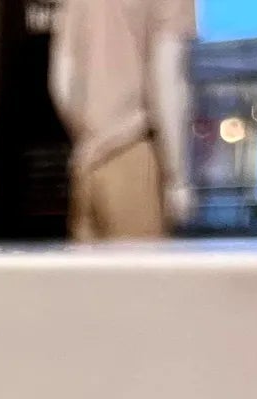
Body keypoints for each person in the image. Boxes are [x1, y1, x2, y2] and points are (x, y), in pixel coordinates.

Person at [50, 0, 196, 238]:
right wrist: (177, 178)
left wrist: (90, 138)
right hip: (134, 150)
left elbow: (62, 82)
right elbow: (168, 78)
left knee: (91, 275)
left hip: (87, 161)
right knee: (141, 274)